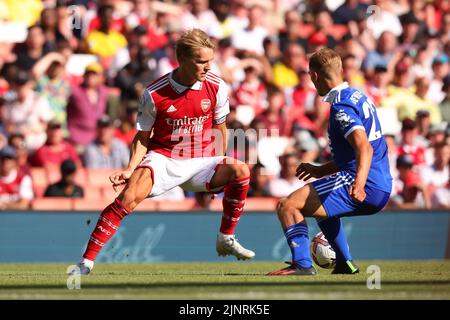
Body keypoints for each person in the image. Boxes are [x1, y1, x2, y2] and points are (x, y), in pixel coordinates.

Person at [70, 29, 255, 275]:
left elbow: (220, 129)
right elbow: (142, 137)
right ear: (182, 59)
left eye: (210, 61)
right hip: (164, 159)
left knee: (240, 168)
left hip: (201, 161)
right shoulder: (154, 94)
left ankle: (226, 237)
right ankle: (86, 263)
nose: (208, 67)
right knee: (127, 198)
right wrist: (130, 168)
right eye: (201, 61)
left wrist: (217, 164)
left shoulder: (217, 87)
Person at [267, 48, 392, 276]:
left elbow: (363, 146)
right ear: (340, 70)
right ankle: (345, 263)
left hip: (363, 182)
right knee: (323, 211)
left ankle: (302, 265)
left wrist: (360, 183)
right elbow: (357, 152)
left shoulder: (341, 107)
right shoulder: (359, 97)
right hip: (382, 186)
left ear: (314, 76)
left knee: (287, 205)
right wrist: (320, 169)